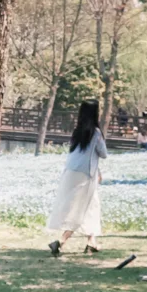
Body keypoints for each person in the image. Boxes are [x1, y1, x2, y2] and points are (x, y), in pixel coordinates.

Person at [47, 100, 107, 256]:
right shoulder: (96, 133)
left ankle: (91, 242)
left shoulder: (77, 132)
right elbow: (103, 153)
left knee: (91, 205)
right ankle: (60, 241)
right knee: (80, 209)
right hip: (85, 174)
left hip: (71, 172)